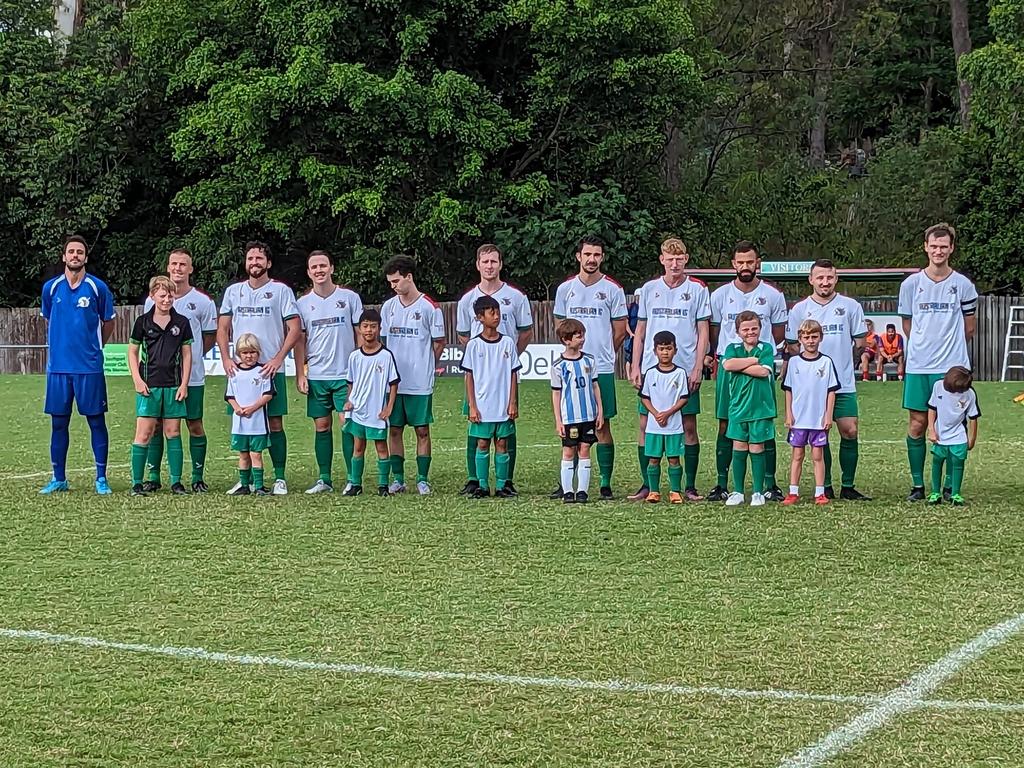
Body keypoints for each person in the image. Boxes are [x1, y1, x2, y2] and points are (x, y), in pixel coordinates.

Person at [898, 222, 978, 501]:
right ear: (926, 247)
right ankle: (919, 485)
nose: (938, 251)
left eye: (944, 246)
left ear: (951, 248)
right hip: (919, 365)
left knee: (954, 422)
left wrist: (951, 354)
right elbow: (907, 324)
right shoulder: (910, 285)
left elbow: (970, 328)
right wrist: (923, 346)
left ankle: (949, 486)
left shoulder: (963, 285)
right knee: (918, 423)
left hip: (952, 367)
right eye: (934, 246)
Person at [629, 237, 710, 501]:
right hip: (652, 370)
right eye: (669, 258)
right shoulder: (649, 289)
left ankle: (688, 486)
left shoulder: (697, 289)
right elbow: (640, 331)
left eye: (679, 258)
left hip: (684, 370)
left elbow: (703, 330)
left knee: (688, 426)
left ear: (686, 259)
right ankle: (646, 485)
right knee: (645, 424)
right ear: (662, 259)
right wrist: (635, 364)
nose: (674, 263)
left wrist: (699, 365)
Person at [217, 241, 301, 495]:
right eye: (250, 258)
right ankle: (247, 480)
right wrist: (226, 358)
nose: (254, 263)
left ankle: (279, 477)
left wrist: (277, 358)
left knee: (274, 423)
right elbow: (222, 328)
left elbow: (295, 328)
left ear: (269, 263)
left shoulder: (281, 291)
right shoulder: (234, 292)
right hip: (241, 373)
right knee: (242, 420)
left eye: (259, 258)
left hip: (269, 370)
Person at [785, 258, 871, 500]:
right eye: (820, 277)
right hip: (811, 389)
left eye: (829, 277)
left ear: (836, 279)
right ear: (811, 280)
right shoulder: (800, 309)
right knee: (817, 434)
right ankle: (827, 486)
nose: (825, 282)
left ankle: (848, 485)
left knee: (849, 430)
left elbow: (860, 342)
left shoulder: (851, 306)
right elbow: (792, 345)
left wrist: (844, 366)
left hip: (842, 383)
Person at [707, 241, 788, 502]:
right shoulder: (719, 295)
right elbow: (715, 331)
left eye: (749, 262)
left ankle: (769, 484)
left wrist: (755, 360)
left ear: (757, 263)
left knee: (763, 424)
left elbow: (776, 334)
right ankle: (723, 484)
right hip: (730, 373)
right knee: (725, 423)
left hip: (759, 377)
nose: (745, 266)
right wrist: (743, 361)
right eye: (740, 262)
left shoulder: (773, 295)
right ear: (733, 264)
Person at [40, 235, 117, 495]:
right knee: (58, 424)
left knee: (96, 422)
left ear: (86, 257)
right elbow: (49, 319)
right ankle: (59, 478)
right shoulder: (51, 288)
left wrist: (94, 348)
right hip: (59, 369)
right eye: (71, 252)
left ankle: (101, 478)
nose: (75, 256)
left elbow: (108, 322)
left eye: (80, 252)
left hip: (89, 368)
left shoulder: (98, 288)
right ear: (64, 257)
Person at [553, 236, 627, 499]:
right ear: (578, 256)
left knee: (602, 425)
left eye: (597, 254)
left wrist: (601, 357)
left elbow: (619, 331)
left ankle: (605, 483)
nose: (592, 259)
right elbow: (561, 327)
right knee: (571, 423)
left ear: (602, 257)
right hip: (570, 368)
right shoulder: (565, 289)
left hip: (600, 368)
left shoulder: (613, 290)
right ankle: (569, 484)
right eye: (587, 254)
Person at [456, 244, 533, 496]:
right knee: (475, 427)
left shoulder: (516, 297)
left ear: (500, 264)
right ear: (478, 264)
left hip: (504, 375)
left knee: (506, 431)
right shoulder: (467, 299)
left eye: (494, 261)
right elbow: (462, 335)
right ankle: (474, 480)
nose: (489, 266)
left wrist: (505, 359)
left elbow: (526, 332)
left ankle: (505, 481)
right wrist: (481, 359)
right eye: (485, 261)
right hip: (479, 378)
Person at [142, 248, 218, 493]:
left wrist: (190, 359)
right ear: (168, 267)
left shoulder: (203, 302)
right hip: (160, 378)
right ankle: (154, 476)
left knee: (194, 424)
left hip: (191, 377)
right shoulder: (152, 300)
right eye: (173, 264)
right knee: (156, 426)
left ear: (190, 269)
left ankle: (197, 476)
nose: (177, 268)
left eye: (183, 264)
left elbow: (209, 337)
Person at [294, 250, 364, 494]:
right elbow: (299, 341)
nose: (319, 270)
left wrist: (359, 369)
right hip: (317, 376)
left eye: (323, 265)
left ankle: (352, 478)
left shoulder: (349, 298)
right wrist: (300, 374)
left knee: (347, 424)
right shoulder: (302, 304)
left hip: (345, 375)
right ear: (309, 272)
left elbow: (359, 334)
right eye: (314, 267)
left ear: (332, 268)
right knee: (321, 426)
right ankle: (324, 478)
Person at [380, 256, 446, 495]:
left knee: (422, 430)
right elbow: (385, 343)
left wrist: (426, 364)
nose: (393, 286)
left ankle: (422, 479)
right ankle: (397, 479)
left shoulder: (429, 307)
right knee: (394, 429)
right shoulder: (389, 307)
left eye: (396, 280)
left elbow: (439, 342)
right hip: (394, 384)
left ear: (409, 276)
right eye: (390, 282)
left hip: (419, 382)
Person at [127, 276, 193, 496]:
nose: (166, 300)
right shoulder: (142, 322)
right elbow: (133, 351)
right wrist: (137, 379)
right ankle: (137, 483)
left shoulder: (182, 322)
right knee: (144, 433)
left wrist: (184, 384)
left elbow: (187, 355)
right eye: (162, 295)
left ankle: (176, 482)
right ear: (152, 296)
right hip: (149, 386)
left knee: (173, 432)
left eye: (170, 295)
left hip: (173, 386)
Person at [461, 295, 521, 498]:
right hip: (482, 404)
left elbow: (513, 374)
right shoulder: (473, 345)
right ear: (480, 317)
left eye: (497, 312)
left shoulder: (508, 343)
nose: (496, 316)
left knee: (502, 444)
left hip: (503, 404)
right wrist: (472, 405)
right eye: (491, 312)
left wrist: (513, 401)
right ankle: (483, 485)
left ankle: (503, 485)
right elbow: (468, 377)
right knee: (482, 443)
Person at [342, 309, 400, 497]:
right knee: (358, 447)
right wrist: (349, 401)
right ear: (359, 329)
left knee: (381, 447)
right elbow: (350, 382)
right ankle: (355, 484)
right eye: (365, 326)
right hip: (358, 410)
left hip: (376, 411)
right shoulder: (354, 357)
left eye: (373, 327)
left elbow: (393, 384)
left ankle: (383, 485)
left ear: (379, 328)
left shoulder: (386, 356)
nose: (369, 330)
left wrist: (388, 407)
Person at [721, 311, 777, 507]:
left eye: (754, 328)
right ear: (738, 332)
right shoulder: (732, 348)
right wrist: (753, 361)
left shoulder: (766, 348)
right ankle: (737, 491)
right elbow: (728, 365)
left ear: (760, 329)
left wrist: (740, 366)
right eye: (746, 329)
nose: (750, 332)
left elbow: (763, 371)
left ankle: (757, 492)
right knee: (739, 447)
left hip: (760, 408)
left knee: (757, 447)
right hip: (737, 408)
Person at [782, 319, 839, 506]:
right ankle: (793, 492)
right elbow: (788, 389)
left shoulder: (826, 362)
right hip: (799, 419)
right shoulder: (794, 362)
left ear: (820, 338)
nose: (810, 340)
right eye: (806, 337)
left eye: (814, 336)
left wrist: (828, 415)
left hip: (818, 419)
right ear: (800, 339)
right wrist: (789, 414)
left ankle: (820, 493)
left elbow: (831, 391)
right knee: (797, 455)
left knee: (817, 456)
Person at [550, 319, 604, 504]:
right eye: (578, 336)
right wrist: (558, 420)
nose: (582, 339)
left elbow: (595, 386)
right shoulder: (558, 365)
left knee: (585, 449)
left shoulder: (589, 360)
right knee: (568, 451)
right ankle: (567, 492)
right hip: (569, 417)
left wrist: (600, 411)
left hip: (588, 415)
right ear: (566, 340)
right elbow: (556, 394)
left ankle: (582, 491)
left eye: (583, 335)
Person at [638, 330, 691, 504]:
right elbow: (645, 397)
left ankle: (675, 491)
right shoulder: (650, 373)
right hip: (654, 426)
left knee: (674, 458)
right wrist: (655, 414)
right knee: (653, 459)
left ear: (675, 350)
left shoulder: (680, 373)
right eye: (661, 349)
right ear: (655, 351)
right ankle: (654, 491)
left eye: (668, 348)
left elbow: (684, 397)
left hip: (673, 424)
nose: (665, 352)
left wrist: (668, 413)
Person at [225, 333, 275, 496]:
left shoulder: (263, 371)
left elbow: (268, 394)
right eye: (245, 352)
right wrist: (237, 408)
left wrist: (253, 408)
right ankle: (244, 484)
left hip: (257, 422)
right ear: (239, 353)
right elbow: (229, 395)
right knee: (243, 454)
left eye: (252, 352)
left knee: (256, 454)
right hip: (240, 422)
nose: (249, 356)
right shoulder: (234, 372)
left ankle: (259, 486)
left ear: (258, 353)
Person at [926, 365, 980, 506]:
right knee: (937, 462)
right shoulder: (938, 386)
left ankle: (955, 493)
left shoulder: (969, 394)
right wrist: (931, 429)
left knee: (958, 463)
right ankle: (935, 492)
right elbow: (932, 409)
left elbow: (973, 417)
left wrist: (972, 439)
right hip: (940, 435)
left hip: (959, 436)